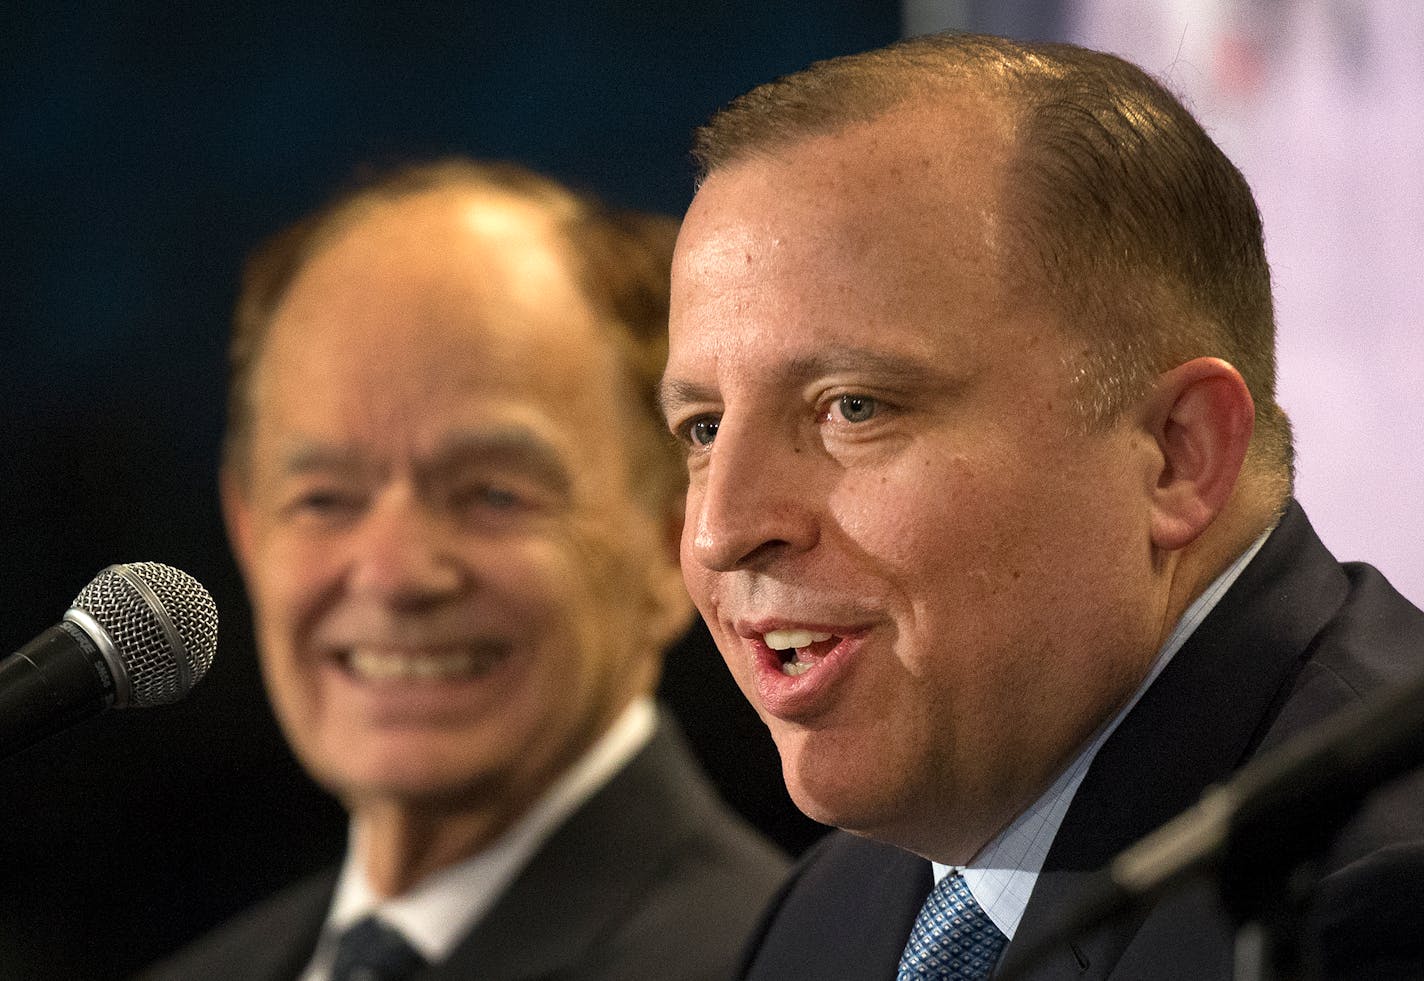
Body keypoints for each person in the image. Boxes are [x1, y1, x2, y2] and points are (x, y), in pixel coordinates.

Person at [659, 32, 1424, 981]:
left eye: (854, 407)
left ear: (1177, 457)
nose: (721, 529)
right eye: (700, 429)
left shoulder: (1375, 908)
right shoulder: (828, 916)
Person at [143, 158, 788, 981]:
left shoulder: (763, 962)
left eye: (492, 493)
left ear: (673, 543)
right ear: (245, 529)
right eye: (325, 500)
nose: (395, 572)